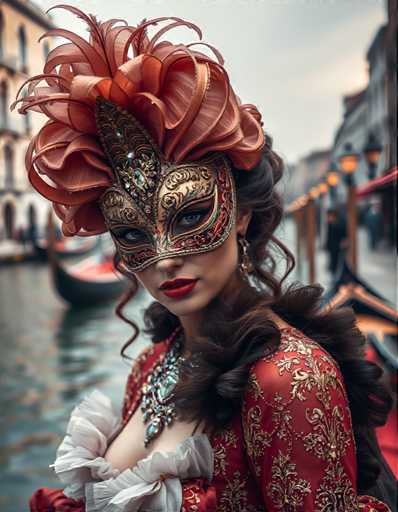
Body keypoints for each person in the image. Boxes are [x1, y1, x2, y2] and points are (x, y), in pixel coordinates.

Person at [13, 6, 395, 511]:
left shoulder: (288, 380)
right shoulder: (152, 363)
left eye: (190, 217)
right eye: (132, 232)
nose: (165, 258)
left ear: (238, 213)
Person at [325, 207, 347, 277]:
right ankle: (333, 273)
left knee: (338, 261)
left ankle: (337, 274)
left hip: (338, 246)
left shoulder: (340, 222)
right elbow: (329, 235)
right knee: (333, 260)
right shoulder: (330, 223)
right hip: (332, 246)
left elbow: (343, 233)